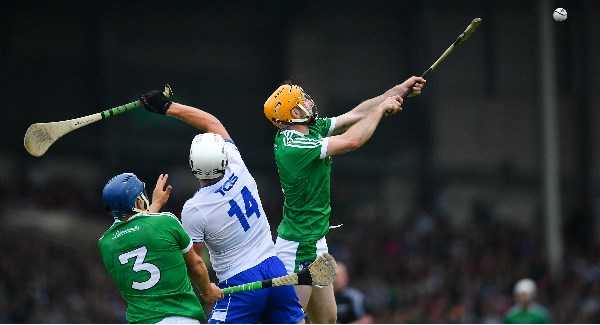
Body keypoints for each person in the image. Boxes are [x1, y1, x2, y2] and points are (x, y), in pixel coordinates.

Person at [263, 76, 426, 323]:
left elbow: (355, 114)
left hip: (317, 243)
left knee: (328, 319)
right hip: (297, 248)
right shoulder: (293, 145)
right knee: (289, 321)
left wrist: (398, 90)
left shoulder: (310, 127)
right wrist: (382, 110)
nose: (308, 101)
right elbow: (352, 140)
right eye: (301, 100)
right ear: (292, 112)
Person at [139, 90, 305, 324]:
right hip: (275, 270)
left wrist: (205, 289)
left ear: (193, 166)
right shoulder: (238, 167)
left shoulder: (194, 209)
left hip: (241, 284)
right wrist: (168, 106)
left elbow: (194, 260)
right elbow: (211, 123)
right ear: (223, 159)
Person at [98, 172, 223, 324]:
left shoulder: (106, 243)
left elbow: (136, 231)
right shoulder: (166, 221)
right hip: (180, 318)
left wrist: (155, 205)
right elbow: (196, 265)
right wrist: (207, 291)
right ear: (138, 201)